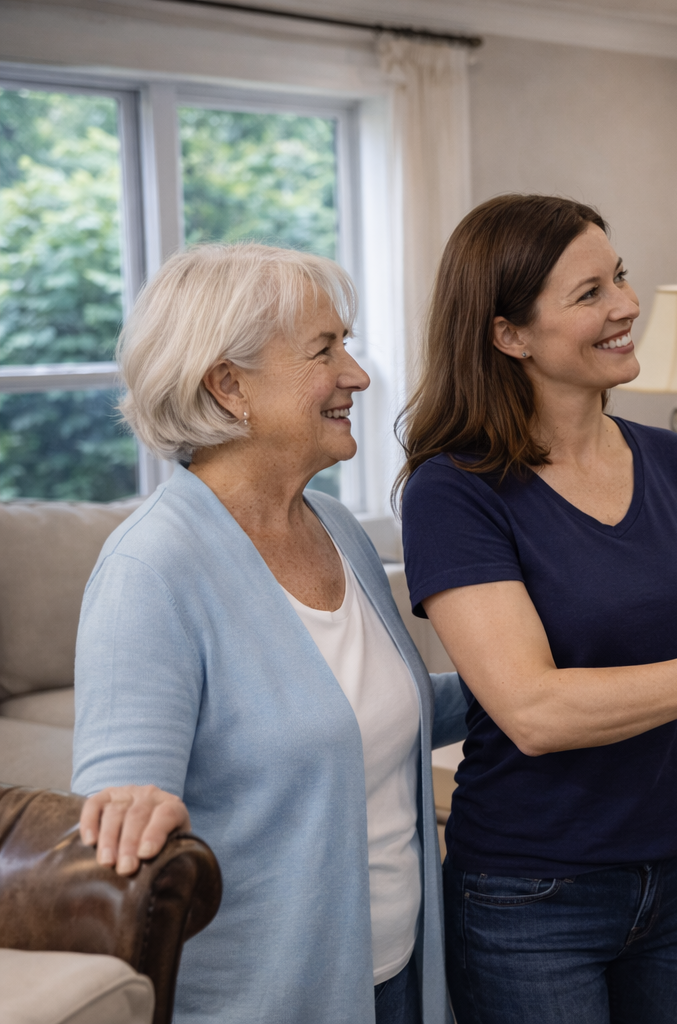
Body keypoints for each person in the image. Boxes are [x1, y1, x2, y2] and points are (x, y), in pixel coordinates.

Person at [395, 194, 677, 1024]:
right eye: (589, 294)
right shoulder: (454, 493)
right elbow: (533, 710)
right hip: (533, 897)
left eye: (620, 277)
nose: (626, 306)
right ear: (509, 334)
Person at [71, 243, 471, 1024]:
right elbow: (120, 819)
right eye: (326, 349)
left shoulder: (336, 529)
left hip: (399, 978)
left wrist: (547, 674)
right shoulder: (151, 569)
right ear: (229, 385)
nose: (356, 375)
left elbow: (385, 711)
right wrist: (135, 808)